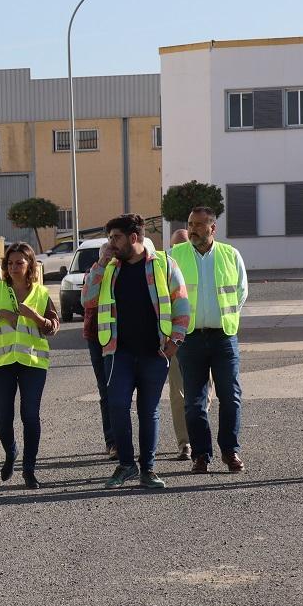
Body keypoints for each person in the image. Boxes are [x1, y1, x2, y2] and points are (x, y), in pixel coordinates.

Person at [81, 214, 190, 490]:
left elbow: (181, 304)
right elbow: (87, 299)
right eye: (110, 239)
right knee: (117, 405)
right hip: (118, 352)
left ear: (133, 238)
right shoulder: (109, 267)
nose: (111, 244)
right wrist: (102, 263)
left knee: (148, 410)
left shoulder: (165, 264)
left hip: (155, 351)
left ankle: (148, 469)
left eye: (116, 238)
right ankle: (126, 465)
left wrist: (176, 341)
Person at [0, 242, 58, 488]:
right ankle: (11, 452)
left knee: (30, 416)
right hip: (2, 362)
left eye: (19, 262)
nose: (14, 267)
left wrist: (37, 318)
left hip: (33, 362)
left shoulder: (40, 294)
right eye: (10, 263)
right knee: (2, 419)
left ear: (30, 264)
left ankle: (29, 469)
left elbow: (52, 327)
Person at [170, 208, 248, 474]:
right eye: (190, 224)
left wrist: (221, 318)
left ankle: (230, 450)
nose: (192, 229)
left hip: (223, 337)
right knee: (194, 401)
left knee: (231, 397)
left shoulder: (230, 255)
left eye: (199, 225)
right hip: (190, 339)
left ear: (212, 228)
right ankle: (201, 455)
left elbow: (240, 293)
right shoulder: (175, 256)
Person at [82, 252, 117, 460]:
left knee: (121, 391)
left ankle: (128, 439)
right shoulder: (94, 272)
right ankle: (112, 441)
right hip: (97, 337)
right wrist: (102, 265)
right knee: (105, 390)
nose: (110, 257)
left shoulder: (124, 271)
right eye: (106, 255)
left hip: (122, 338)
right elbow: (87, 300)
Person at [167, 228, 194, 462]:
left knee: (203, 390)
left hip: (205, 334)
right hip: (176, 335)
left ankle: (197, 434)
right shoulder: (165, 264)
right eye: (176, 247)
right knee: (178, 391)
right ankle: (185, 442)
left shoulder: (205, 260)